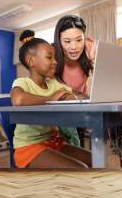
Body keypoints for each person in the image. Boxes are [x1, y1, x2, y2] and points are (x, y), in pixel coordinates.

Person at [10, 32, 91, 168]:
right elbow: (17, 99)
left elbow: (81, 95)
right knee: (80, 169)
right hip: (28, 147)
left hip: (54, 142)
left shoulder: (53, 84)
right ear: (32, 61)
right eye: (49, 57)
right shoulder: (23, 82)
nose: (55, 62)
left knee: (95, 160)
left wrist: (73, 97)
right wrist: (50, 98)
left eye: (55, 58)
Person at [53, 15, 96, 97]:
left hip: (87, 104)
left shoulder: (90, 48)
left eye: (79, 40)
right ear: (58, 41)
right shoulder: (52, 57)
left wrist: (93, 60)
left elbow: (103, 85)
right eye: (67, 41)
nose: (74, 47)